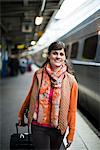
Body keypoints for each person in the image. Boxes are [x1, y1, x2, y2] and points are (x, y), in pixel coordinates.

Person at [18, 41, 78, 150]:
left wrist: (71, 133)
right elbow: (30, 96)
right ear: (49, 55)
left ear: (65, 57)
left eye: (61, 54)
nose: (58, 57)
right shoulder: (39, 74)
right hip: (38, 126)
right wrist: (21, 114)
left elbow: (72, 109)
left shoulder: (70, 81)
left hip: (59, 128)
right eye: (55, 53)